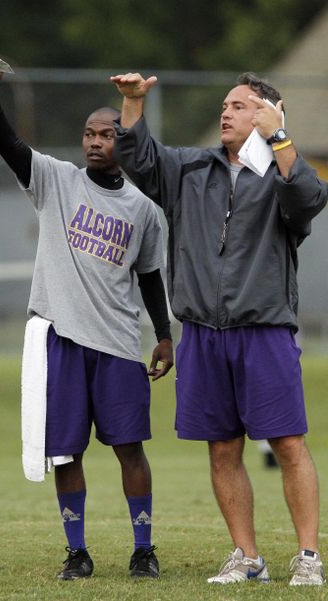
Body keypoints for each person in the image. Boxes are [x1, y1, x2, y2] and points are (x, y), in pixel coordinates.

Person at [111, 71, 327, 586]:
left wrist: (281, 139)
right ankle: (247, 558)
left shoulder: (282, 172)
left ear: (268, 115)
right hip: (203, 333)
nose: (226, 112)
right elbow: (139, 158)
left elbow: (309, 199)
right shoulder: (192, 168)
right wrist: (133, 103)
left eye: (240, 105)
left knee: (288, 444)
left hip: (265, 330)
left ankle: (309, 559)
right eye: (225, 104)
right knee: (223, 446)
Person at [0, 58, 174, 581]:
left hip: (115, 345)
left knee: (130, 448)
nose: (94, 142)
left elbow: (151, 277)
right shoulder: (57, 181)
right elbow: (10, 148)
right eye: (88, 133)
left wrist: (164, 335)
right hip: (61, 341)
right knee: (65, 453)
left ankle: (143, 549)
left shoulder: (144, 210)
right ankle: (77, 552)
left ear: (122, 142)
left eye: (106, 134)